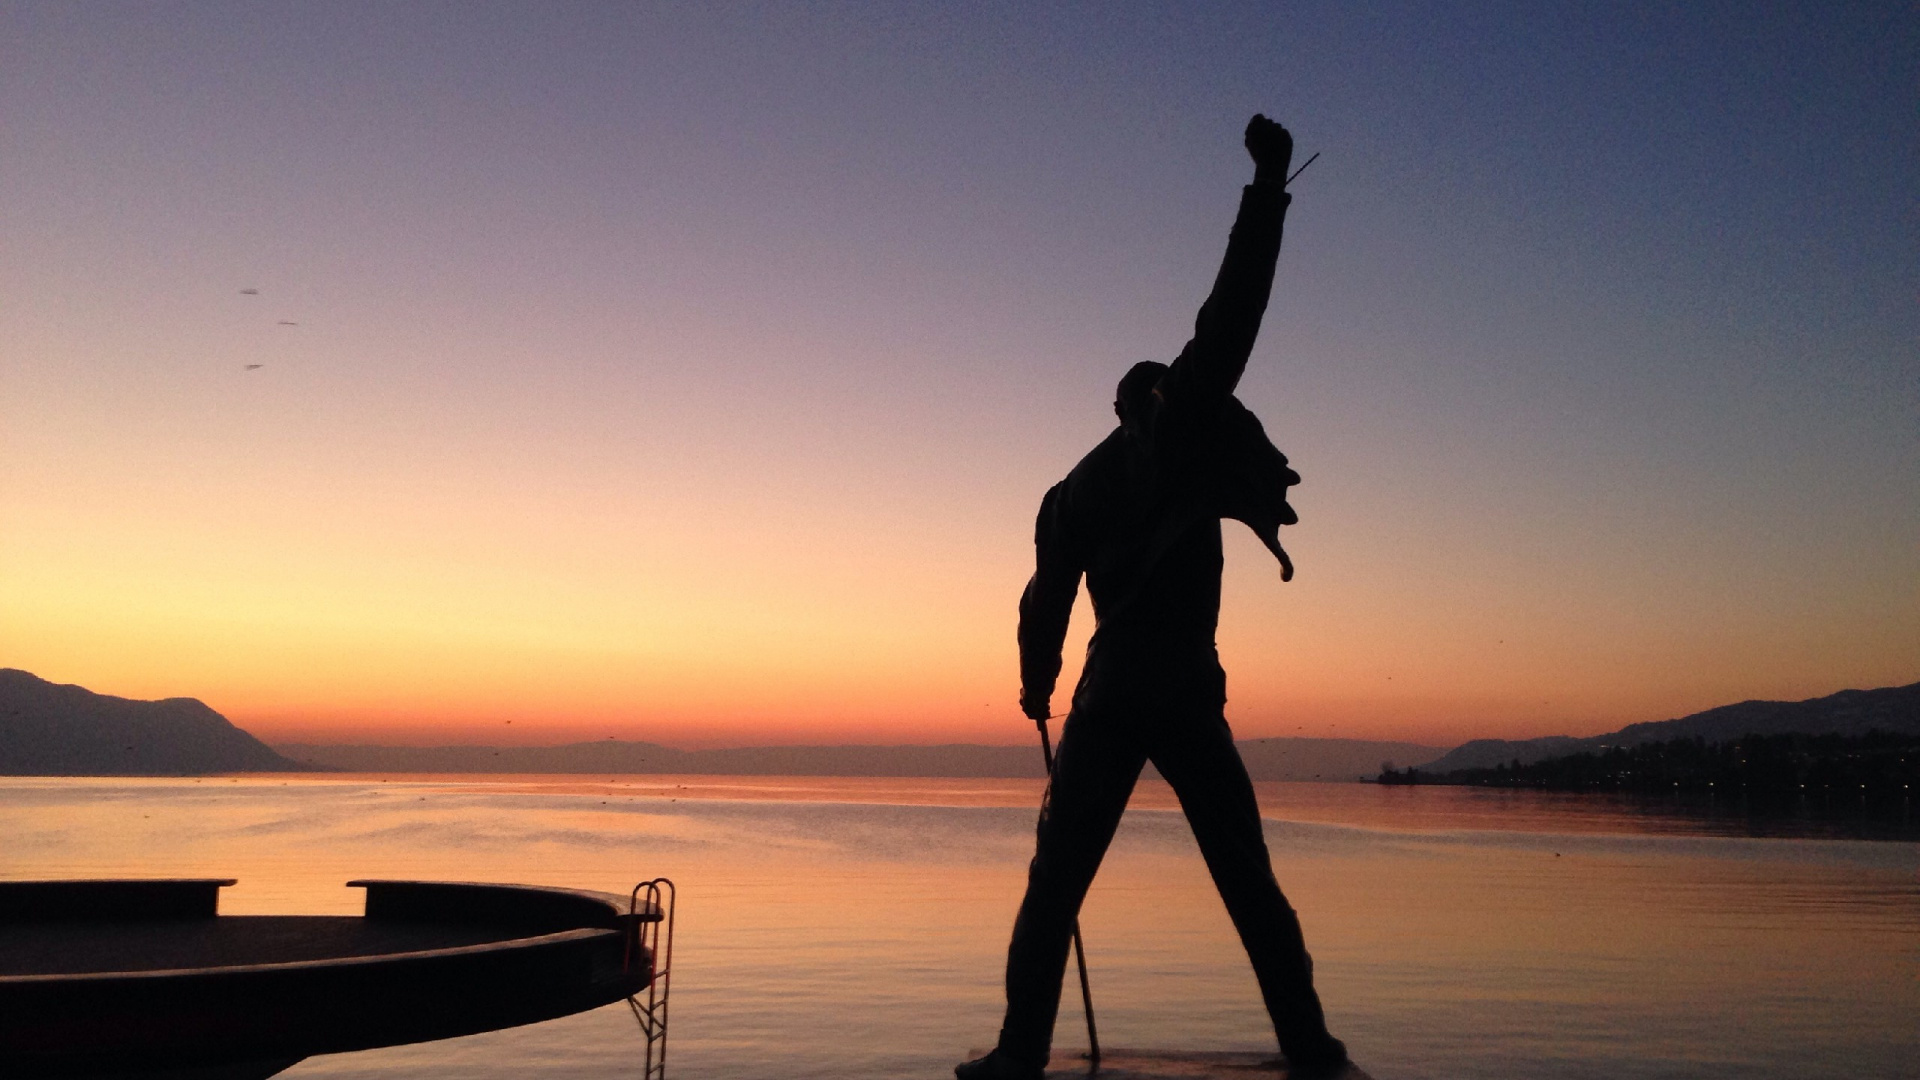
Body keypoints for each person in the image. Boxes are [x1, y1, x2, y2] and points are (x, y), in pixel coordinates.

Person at [957, 115, 1348, 1080]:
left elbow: (1232, 314)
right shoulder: (1097, 483)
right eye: (1162, 397)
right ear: (1144, 405)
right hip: (1149, 694)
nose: (1168, 406)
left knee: (1145, 880)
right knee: (1136, 882)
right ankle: (1303, 1045)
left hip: (1148, 695)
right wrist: (1038, 677)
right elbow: (1044, 594)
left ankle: (1025, 1054)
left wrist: (1036, 680)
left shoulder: (1105, 470)